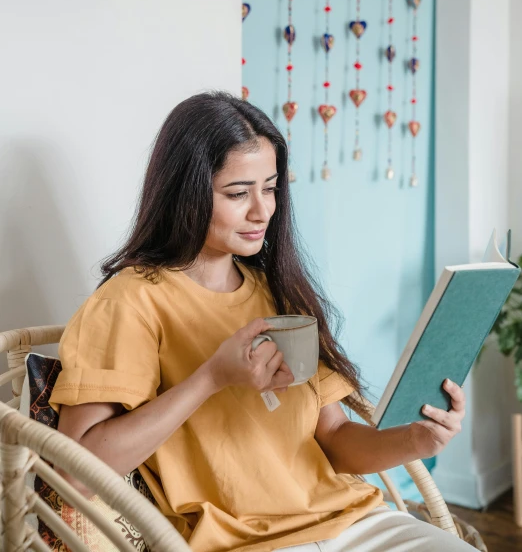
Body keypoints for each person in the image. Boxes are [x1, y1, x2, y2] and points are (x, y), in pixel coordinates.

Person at [49, 91, 471, 551]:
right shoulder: (129, 302)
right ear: (184, 193)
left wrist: (416, 440)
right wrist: (211, 377)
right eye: (237, 193)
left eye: (270, 188)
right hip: (242, 541)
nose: (262, 210)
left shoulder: (278, 290)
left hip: (355, 521)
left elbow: (332, 437)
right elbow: (76, 473)